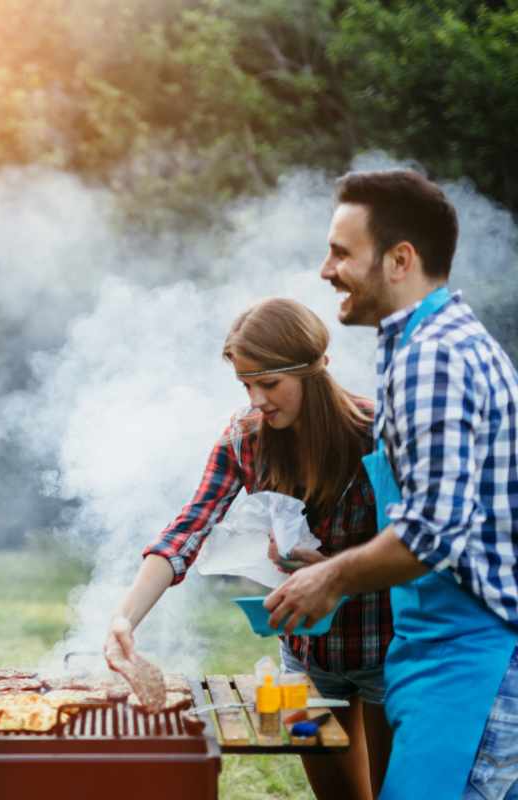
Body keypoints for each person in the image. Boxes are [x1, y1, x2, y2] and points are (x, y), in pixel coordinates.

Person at [266, 169, 518, 800]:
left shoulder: (434, 355)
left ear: (400, 259)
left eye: (342, 252)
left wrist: (329, 578)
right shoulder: (424, 344)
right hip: (443, 658)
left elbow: (432, 531)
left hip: (472, 661)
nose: (327, 270)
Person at [105, 298, 392, 800]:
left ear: (314, 368)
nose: (256, 399)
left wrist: (333, 572)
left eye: (268, 383)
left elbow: (418, 549)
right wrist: (125, 619)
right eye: (245, 385)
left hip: (385, 651)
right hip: (305, 664)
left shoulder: (377, 432)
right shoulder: (246, 437)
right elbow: (187, 530)